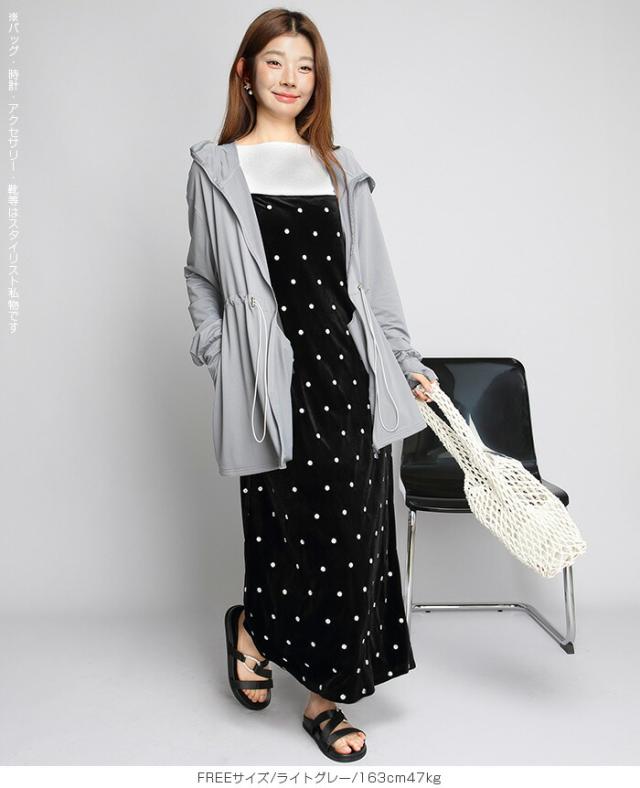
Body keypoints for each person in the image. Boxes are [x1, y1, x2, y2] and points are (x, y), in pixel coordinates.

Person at [185, 8, 438, 762]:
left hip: (349, 376)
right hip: (269, 384)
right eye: (275, 62)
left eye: (305, 66)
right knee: (280, 531)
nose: (291, 79)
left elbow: (376, 285)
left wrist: (407, 362)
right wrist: (221, 355)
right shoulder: (216, 169)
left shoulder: (338, 167)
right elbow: (201, 277)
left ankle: (327, 699)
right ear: (246, 72)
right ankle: (253, 629)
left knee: (354, 537)